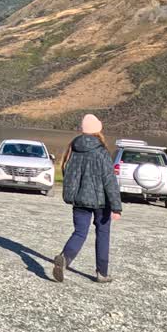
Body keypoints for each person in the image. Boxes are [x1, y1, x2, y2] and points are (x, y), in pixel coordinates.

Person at [52, 113, 122, 284]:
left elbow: (68, 173)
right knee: (103, 233)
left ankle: (65, 258)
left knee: (80, 232)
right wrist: (116, 206)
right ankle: (102, 273)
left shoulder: (72, 149)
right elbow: (109, 180)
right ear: (98, 130)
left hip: (79, 199)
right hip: (101, 201)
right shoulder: (101, 151)